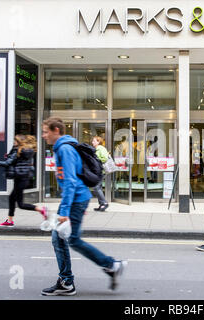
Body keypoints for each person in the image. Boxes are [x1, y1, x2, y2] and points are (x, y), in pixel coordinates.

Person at [41, 117, 127, 296]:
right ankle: (69, 279)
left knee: (70, 240)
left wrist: (65, 211)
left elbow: (70, 181)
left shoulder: (65, 149)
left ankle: (109, 265)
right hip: (76, 199)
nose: (43, 135)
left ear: (56, 130)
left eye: (45, 131)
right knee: (61, 239)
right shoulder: (64, 147)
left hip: (75, 200)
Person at [0, 135, 47, 226]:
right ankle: (10, 221)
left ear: (19, 142)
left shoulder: (17, 150)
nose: (14, 142)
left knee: (21, 204)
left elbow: (7, 163)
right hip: (23, 178)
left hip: (20, 178)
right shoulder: (27, 151)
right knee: (11, 198)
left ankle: (40, 209)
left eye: (15, 141)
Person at [92, 135, 109, 212]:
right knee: (98, 187)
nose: (92, 142)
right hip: (98, 171)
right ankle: (101, 204)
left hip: (101, 171)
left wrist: (96, 160)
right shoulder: (97, 149)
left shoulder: (100, 148)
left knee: (96, 187)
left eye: (94, 141)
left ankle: (104, 203)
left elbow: (104, 158)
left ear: (98, 141)